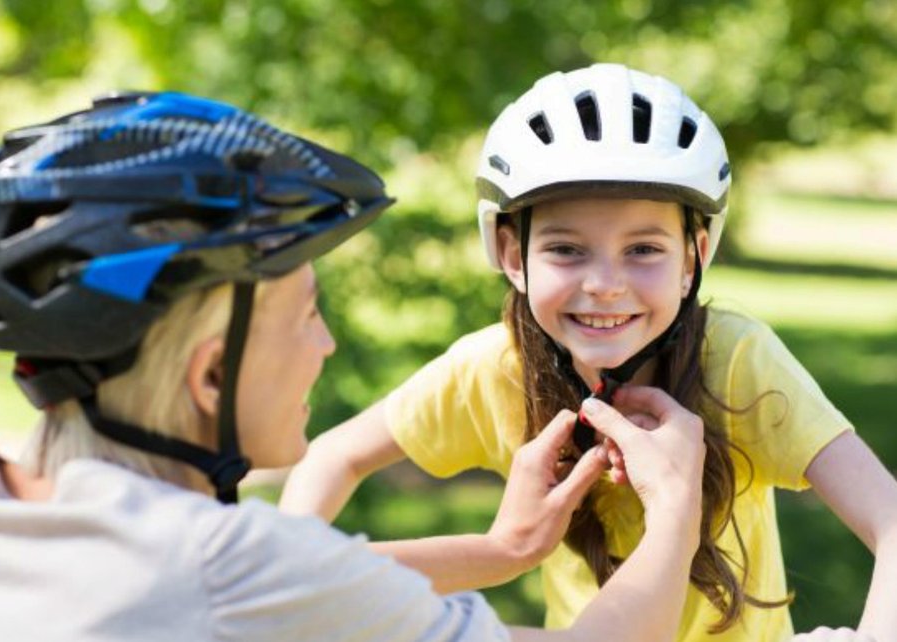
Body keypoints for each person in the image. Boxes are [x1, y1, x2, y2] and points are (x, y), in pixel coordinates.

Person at [0, 90, 714, 641]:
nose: (326, 344)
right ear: (208, 377)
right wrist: (675, 503)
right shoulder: (232, 573)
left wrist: (500, 552)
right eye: (306, 313)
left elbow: (296, 572)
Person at [279, 64, 897, 642]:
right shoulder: (497, 369)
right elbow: (334, 456)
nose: (605, 283)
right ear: (513, 256)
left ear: (694, 258)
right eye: (568, 249)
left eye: (643, 249)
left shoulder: (735, 359)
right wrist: (283, 573)